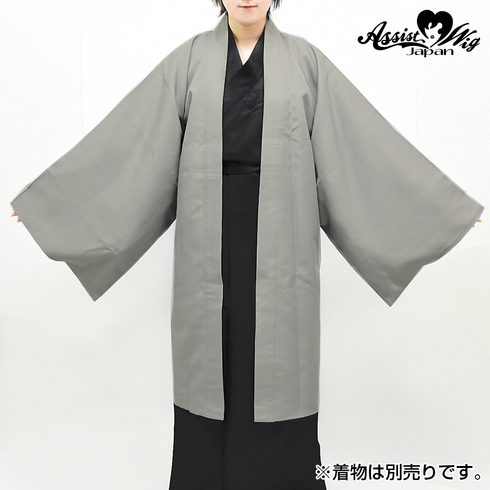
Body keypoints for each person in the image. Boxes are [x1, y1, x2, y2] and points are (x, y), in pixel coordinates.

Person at [10, 1, 484, 488]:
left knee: (278, 374)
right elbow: (133, 146)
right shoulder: (188, 61)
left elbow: (359, 147)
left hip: (284, 241)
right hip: (208, 238)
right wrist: (53, 208)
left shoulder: (305, 61)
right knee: (210, 373)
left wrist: (441, 211)